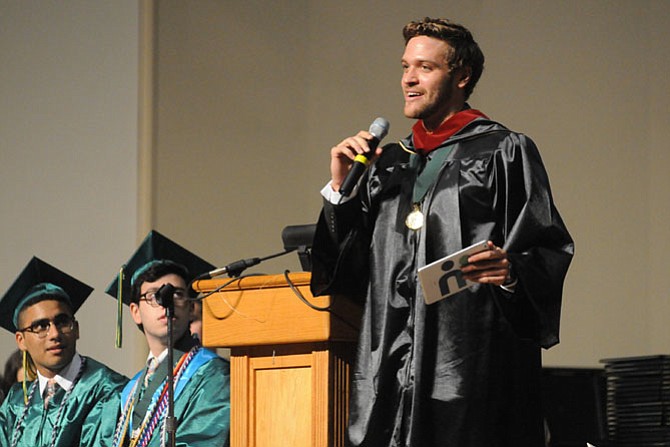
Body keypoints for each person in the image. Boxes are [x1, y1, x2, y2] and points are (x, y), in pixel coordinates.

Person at [310, 17, 574, 447]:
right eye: (404, 67)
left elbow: (546, 248)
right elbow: (345, 270)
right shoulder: (388, 164)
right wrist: (340, 191)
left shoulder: (502, 151)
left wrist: (510, 272)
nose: (408, 79)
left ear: (462, 76)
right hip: (387, 368)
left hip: (467, 365)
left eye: (425, 68)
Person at [105, 230, 230, 447]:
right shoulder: (130, 389)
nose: (166, 302)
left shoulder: (213, 376)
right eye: (154, 296)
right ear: (135, 311)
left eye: (177, 294)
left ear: (191, 308)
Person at [0, 257, 128, 447]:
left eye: (62, 322)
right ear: (21, 340)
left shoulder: (107, 390)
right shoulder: (16, 402)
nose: (55, 334)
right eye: (41, 326)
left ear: (76, 329)